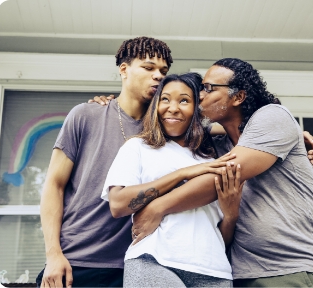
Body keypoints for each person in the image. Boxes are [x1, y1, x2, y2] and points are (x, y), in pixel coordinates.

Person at [130, 58, 313, 287]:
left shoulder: (272, 116)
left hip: (291, 269)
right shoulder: (217, 146)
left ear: (238, 97)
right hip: (238, 273)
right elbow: (170, 123)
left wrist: (158, 207)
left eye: (208, 88)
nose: (200, 95)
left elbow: (222, 174)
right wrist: (111, 107)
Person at [36, 36, 173, 288]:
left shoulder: (167, 130)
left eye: (163, 71)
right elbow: (54, 186)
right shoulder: (86, 115)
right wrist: (53, 254)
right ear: (124, 70)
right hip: (76, 261)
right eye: (148, 67)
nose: (158, 76)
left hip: (136, 266)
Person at [102, 72, 242, 287]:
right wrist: (182, 173)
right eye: (165, 99)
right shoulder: (138, 147)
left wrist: (231, 214)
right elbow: (118, 204)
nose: (173, 108)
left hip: (215, 270)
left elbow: (218, 234)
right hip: (154, 262)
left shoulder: (213, 156)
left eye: (184, 100)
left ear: (197, 108)